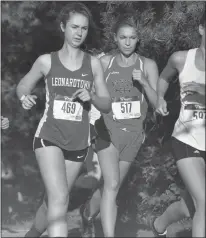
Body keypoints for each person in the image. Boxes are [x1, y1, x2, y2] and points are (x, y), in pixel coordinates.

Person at [16, 2, 111, 237]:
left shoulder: (93, 64)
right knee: (60, 199)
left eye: (84, 29)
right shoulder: (46, 61)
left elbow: (106, 104)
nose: (79, 33)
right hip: (49, 137)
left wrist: (92, 97)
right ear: (63, 27)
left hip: (78, 143)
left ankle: (31, 235)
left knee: (54, 202)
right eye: (74, 27)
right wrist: (23, 97)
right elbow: (24, 85)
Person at [80, 13, 159, 237]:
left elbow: (156, 103)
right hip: (107, 131)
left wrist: (143, 81)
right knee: (112, 184)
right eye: (123, 37)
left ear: (137, 39)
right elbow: (90, 94)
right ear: (115, 39)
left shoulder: (148, 65)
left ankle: (87, 213)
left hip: (133, 135)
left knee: (110, 187)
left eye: (132, 38)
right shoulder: (105, 63)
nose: (127, 42)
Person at [155, 12, 205, 237]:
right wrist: (159, 97)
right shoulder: (181, 59)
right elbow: (164, 78)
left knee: (191, 206)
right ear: (202, 29)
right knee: (204, 202)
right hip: (186, 139)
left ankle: (158, 224)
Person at [24, 104, 102, 238]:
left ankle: (87, 217)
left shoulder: (102, 87)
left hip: (92, 144)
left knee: (99, 181)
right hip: (63, 143)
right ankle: (33, 233)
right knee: (55, 198)